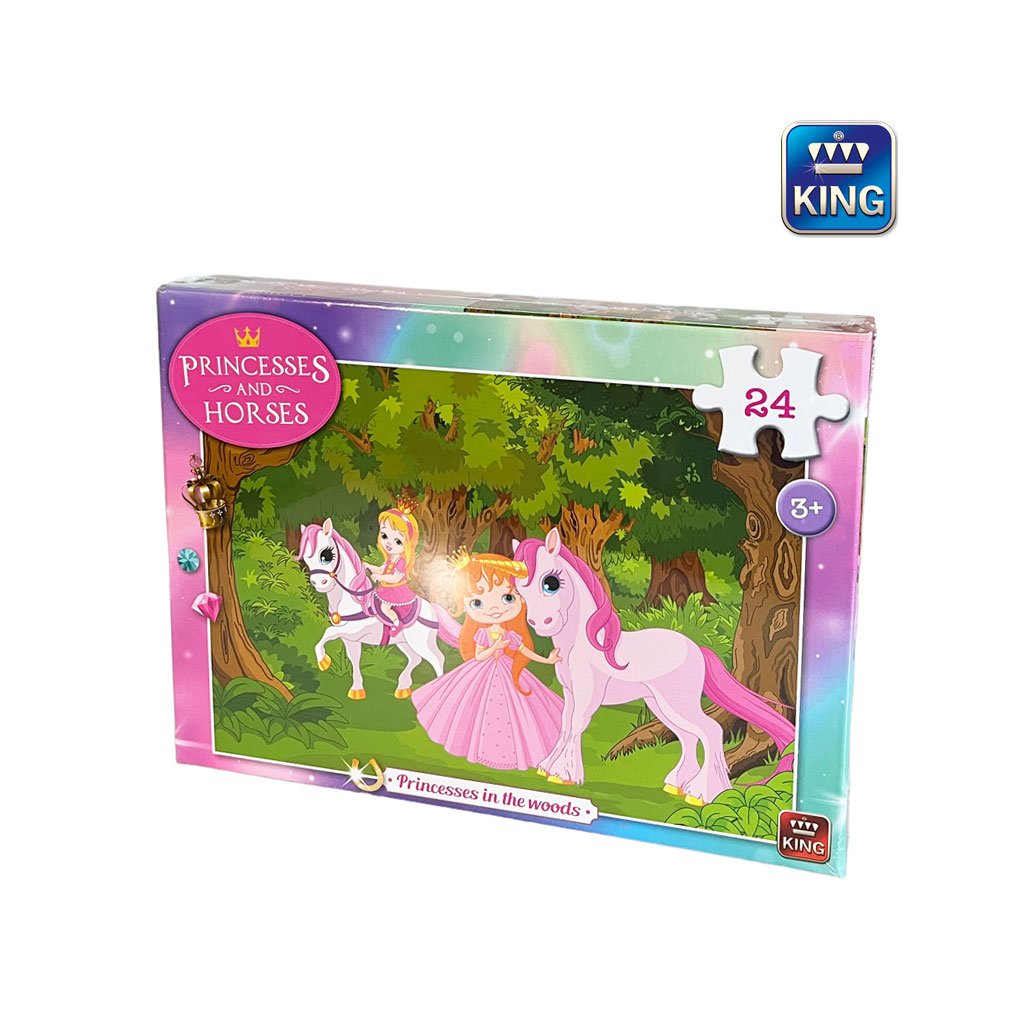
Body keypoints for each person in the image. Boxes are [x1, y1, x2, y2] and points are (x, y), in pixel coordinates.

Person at [412, 549, 564, 771]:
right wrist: (495, 648)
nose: (494, 609)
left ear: (521, 599)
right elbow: (479, 655)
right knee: (475, 711)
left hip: (508, 672)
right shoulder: (483, 633)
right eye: (477, 603)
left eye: (507, 598)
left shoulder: (511, 633)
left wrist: (547, 660)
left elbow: (523, 651)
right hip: (481, 672)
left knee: (514, 713)